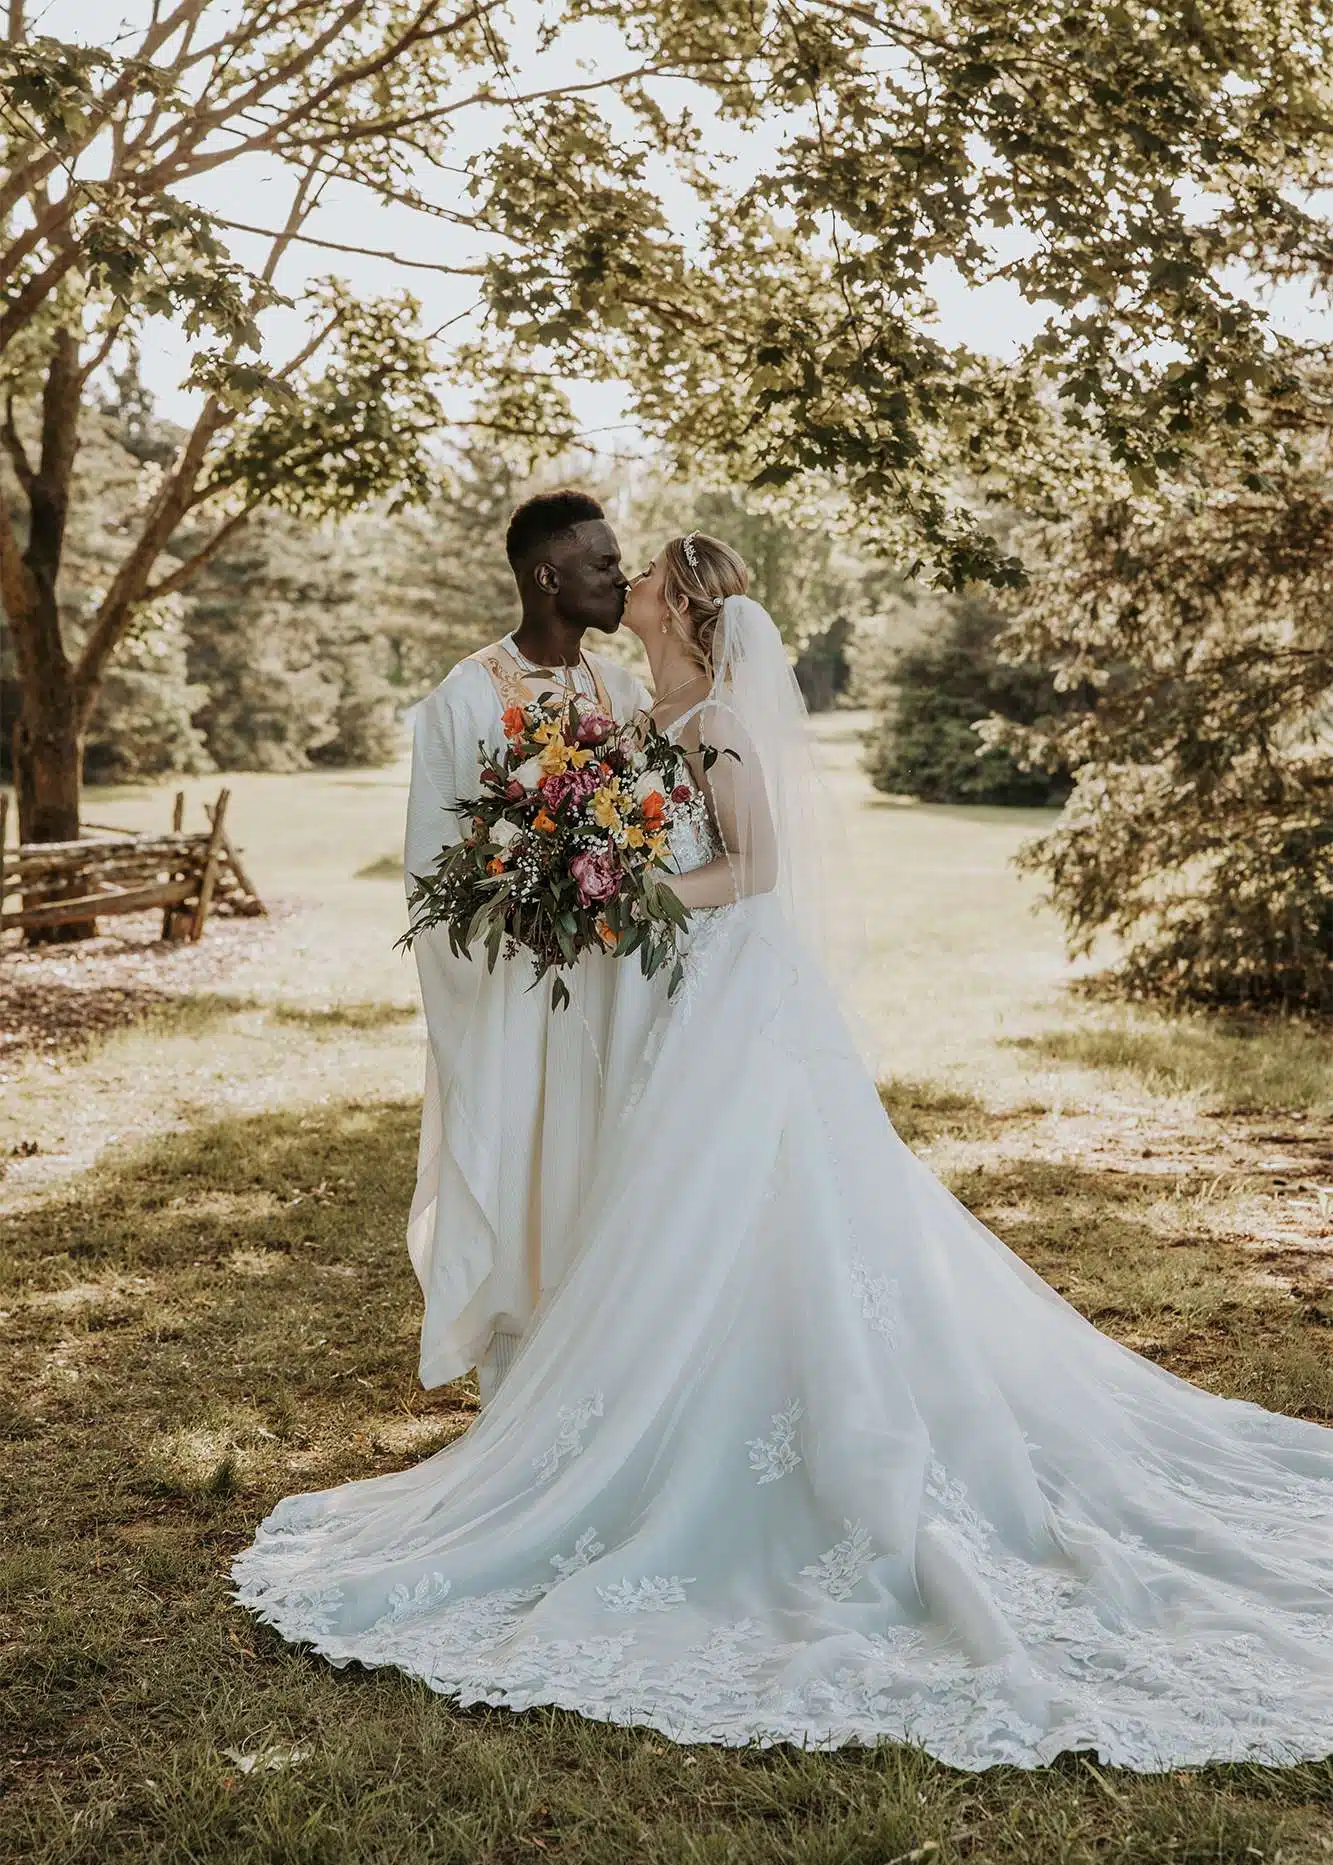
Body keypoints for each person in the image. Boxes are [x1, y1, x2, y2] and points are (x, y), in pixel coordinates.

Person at [233, 533, 1333, 1773]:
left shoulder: (711, 719)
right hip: (665, 999)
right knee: (684, 1205)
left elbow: (756, 866)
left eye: (643, 570)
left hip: (724, 995)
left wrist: (632, 897)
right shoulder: (634, 706)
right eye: (617, 565)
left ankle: (776, 1431)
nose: (628, 579)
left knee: (749, 1195)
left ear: (681, 604)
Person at [400, 489, 661, 1406]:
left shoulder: (622, 691)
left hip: (612, 984)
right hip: (516, 987)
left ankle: (605, 1367)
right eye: (601, 563)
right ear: (547, 576)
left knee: (601, 1161)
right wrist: (523, 908)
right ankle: (520, 1387)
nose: (619, 578)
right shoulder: (465, 696)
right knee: (520, 1158)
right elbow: (432, 869)